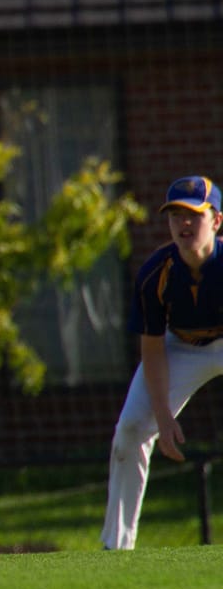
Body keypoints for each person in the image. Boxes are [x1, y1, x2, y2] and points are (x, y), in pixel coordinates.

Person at [102, 175, 223, 549]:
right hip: (181, 346)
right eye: (175, 215)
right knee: (133, 429)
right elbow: (152, 347)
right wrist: (163, 416)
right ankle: (116, 548)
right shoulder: (156, 272)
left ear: (217, 221)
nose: (183, 224)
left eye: (193, 215)